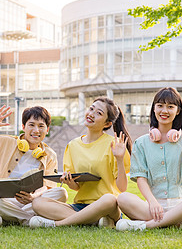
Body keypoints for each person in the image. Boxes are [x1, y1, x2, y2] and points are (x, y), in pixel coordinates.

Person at [116, 87, 182, 232]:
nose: (164, 111)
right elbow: (141, 178)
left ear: (178, 110)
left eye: (170, 106)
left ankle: (145, 226)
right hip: (154, 208)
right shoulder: (141, 143)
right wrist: (153, 202)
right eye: (160, 106)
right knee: (123, 198)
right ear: (154, 109)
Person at [29, 97, 132, 228]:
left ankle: (57, 224)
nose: (91, 114)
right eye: (91, 109)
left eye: (99, 113)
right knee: (38, 203)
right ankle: (94, 221)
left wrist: (119, 159)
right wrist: (70, 182)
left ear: (107, 124)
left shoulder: (115, 145)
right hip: (80, 206)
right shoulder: (73, 145)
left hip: (107, 206)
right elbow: (76, 187)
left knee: (109, 199)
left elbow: (122, 188)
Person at [0, 105, 67, 227]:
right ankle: (30, 220)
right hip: (2, 200)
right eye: (32, 125)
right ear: (23, 127)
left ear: (47, 130)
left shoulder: (50, 154)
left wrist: (33, 197)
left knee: (61, 193)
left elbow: (48, 186)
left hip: (32, 202)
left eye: (41, 126)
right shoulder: (3, 142)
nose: (36, 130)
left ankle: (7, 217)